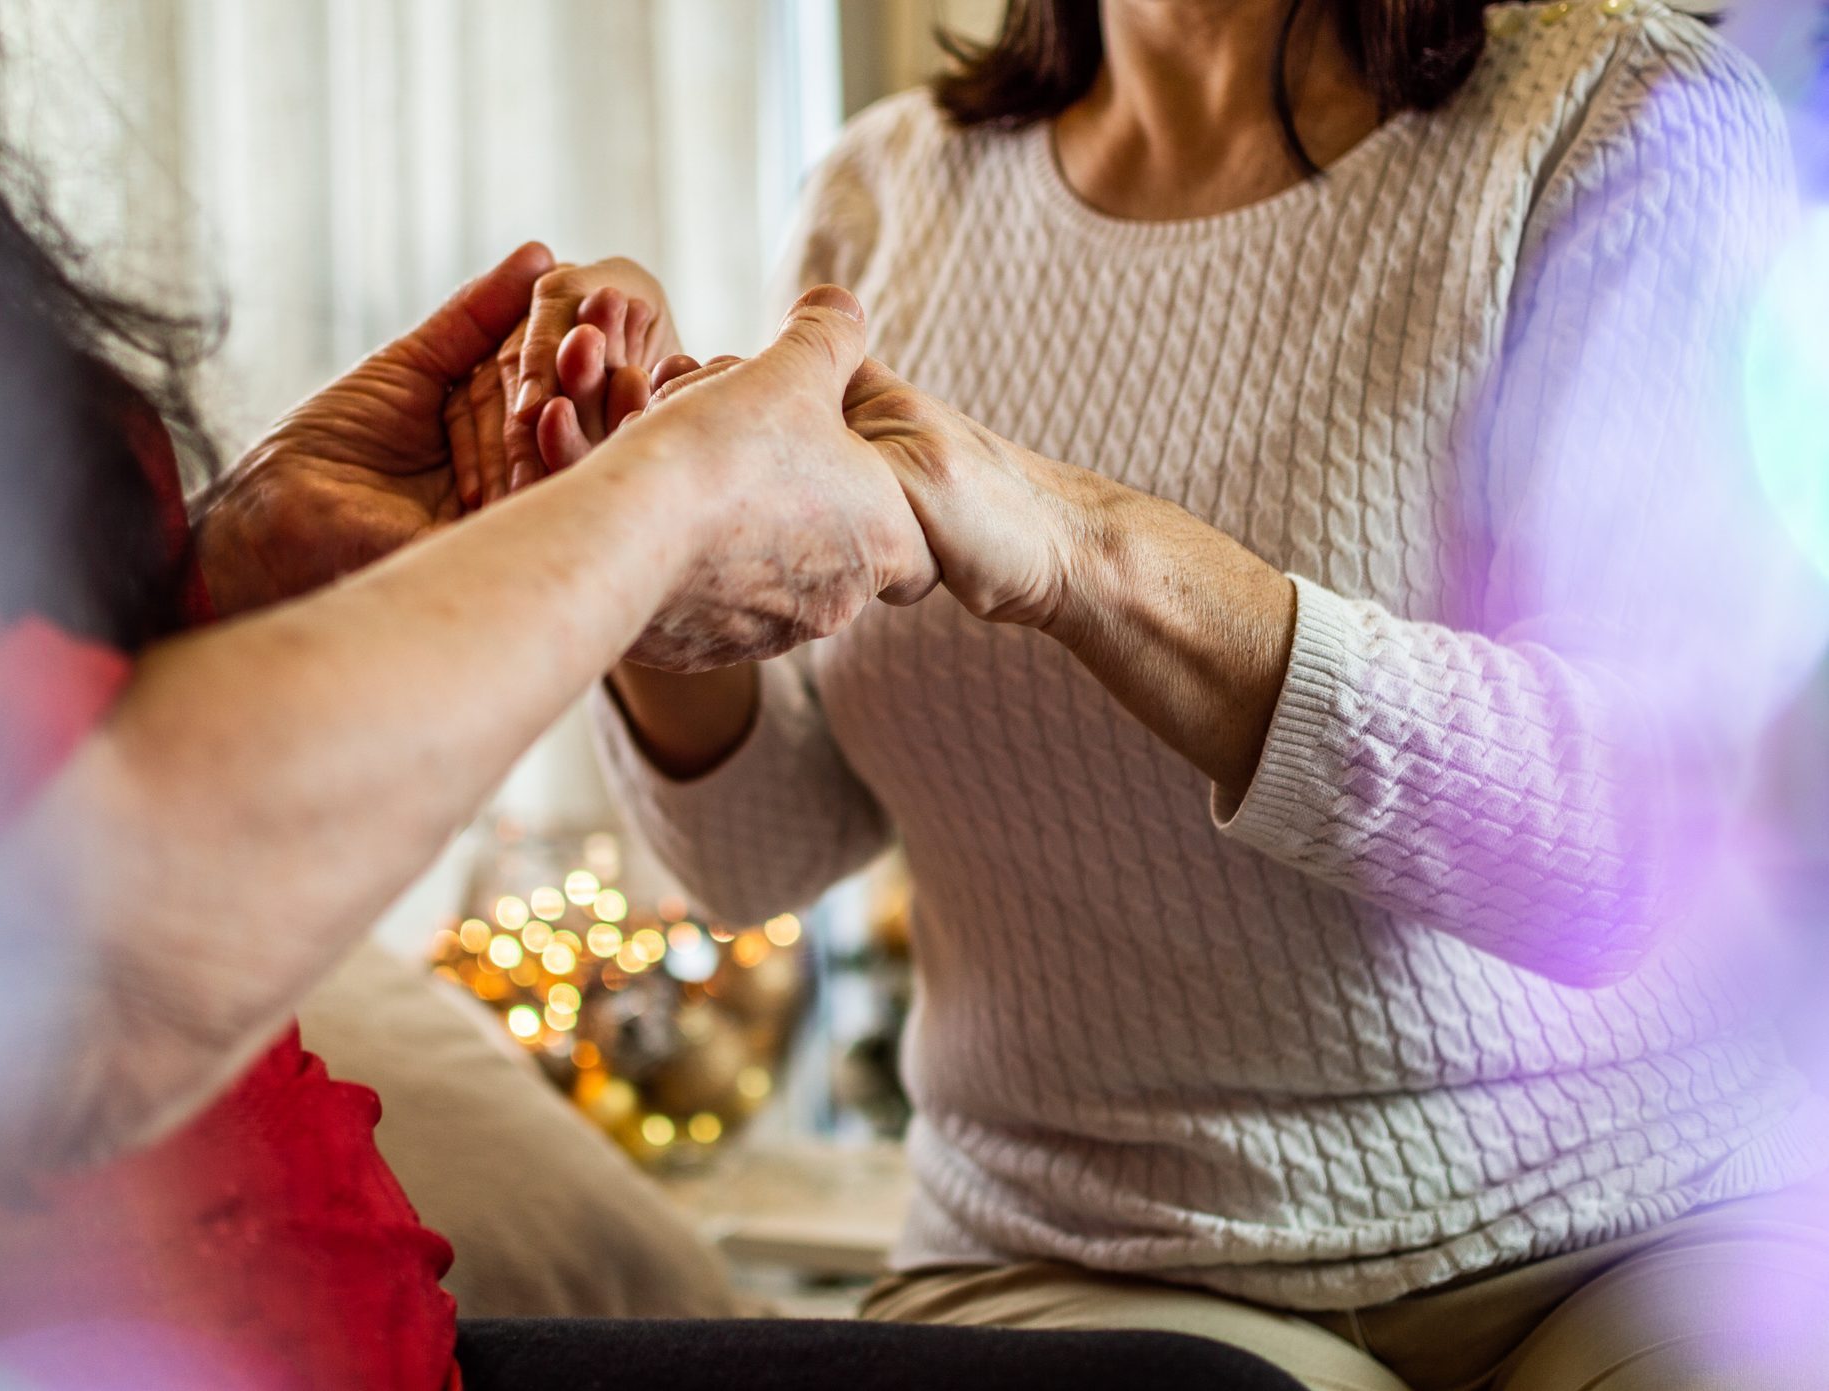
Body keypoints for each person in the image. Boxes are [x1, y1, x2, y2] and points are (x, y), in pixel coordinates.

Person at [0, 2, 1321, 1388]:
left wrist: (248, 554)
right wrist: (661, 500)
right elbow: (42, 942)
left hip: (332, 1326)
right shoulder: (889, 186)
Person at [511, 0, 1829, 1387]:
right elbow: (756, 851)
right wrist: (634, 529)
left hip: (1634, 1226)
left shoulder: (1620, 114)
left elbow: (1623, 845)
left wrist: (1090, 555)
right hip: (1080, 1259)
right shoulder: (878, 194)